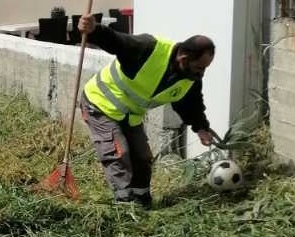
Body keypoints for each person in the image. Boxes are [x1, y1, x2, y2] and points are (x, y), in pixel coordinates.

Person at [77, 14, 218, 208]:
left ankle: (142, 201)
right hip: (99, 103)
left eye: (205, 69)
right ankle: (125, 206)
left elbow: (191, 105)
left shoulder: (190, 79)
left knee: (143, 158)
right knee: (118, 153)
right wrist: (94, 30)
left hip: (130, 115)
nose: (201, 74)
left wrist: (201, 127)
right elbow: (117, 41)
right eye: (199, 68)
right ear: (183, 59)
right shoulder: (148, 48)